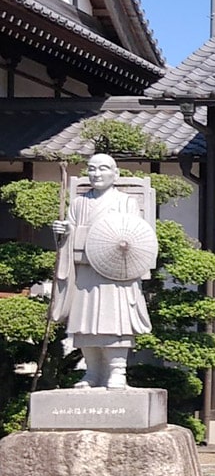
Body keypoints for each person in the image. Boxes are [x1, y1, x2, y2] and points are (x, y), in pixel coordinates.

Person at [50, 153, 152, 390]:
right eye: (92, 169)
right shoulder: (79, 203)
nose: (96, 174)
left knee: (116, 322)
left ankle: (118, 372)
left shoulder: (126, 202)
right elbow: (69, 234)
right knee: (85, 322)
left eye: (103, 169)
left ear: (115, 174)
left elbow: (133, 233)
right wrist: (64, 231)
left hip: (116, 272)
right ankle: (92, 372)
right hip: (85, 271)